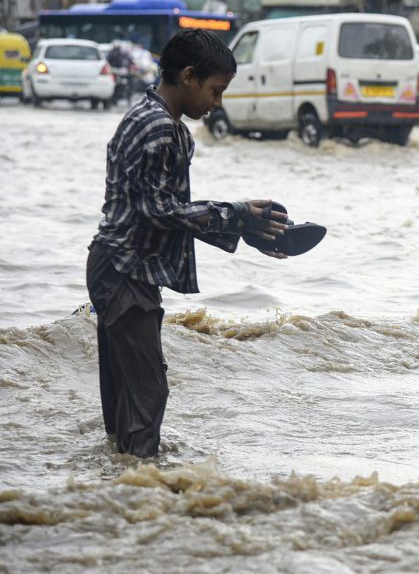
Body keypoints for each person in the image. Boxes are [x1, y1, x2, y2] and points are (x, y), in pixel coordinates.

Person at [86, 29, 289, 458]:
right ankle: (140, 484)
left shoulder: (163, 122)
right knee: (147, 391)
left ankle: (114, 484)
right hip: (126, 271)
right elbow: (160, 212)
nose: (218, 103)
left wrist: (244, 231)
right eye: (216, 91)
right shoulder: (160, 129)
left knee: (124, 396)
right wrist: (235, 213)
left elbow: (168, 213)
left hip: (118, 267)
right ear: (190, 76)